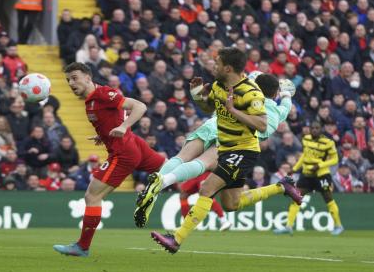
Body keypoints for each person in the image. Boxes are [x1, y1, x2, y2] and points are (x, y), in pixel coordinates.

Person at [147, 47, 301, 253]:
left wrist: (233, 110)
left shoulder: (250, 93)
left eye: (217, 63)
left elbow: (261, 125)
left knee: (206, 189)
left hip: (242, 148)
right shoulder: (268, 104)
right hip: (227, 146)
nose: (213, 66)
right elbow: (211, 108)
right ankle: (281, 187)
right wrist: (198, 95)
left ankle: (176, 238)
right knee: (231, 204)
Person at [134, 72, 296, 228]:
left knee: (181, 157)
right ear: (275, 95)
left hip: (212, 124)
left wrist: (198, 93)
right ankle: (163, 182)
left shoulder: (244, 90)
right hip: (233, 138)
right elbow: (284, 106)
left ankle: (152, 192)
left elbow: (231, 87)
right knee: (203, 164)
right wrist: (287, 94)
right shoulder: (276, 112)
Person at [52, 63, 165, 257]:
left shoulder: (103, 94)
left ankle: (82, 247)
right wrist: (104, 135)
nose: (71, 83)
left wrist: (123, 126)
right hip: (132, 144)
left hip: (123, 153)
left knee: (92, 197)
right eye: (68, 79)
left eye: (75, 78)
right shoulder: (91, 100)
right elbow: (112, 117)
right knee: (171, 170)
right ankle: (217, 175)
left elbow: (140, 106)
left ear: (88, 77)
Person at [274, 121, 343, 236]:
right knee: (296, 197)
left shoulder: (328, 142)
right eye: (313, 128)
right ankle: (288, 226)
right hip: (306, 175)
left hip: (322, 175)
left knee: (328, 199)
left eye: (317, 128)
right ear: (310, 129)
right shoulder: (306, 139)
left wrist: (319, 165)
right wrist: (295, 168)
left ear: (321, 129)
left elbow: (335, 159)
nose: (315, 130)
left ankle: (338, 225)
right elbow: (304, 156)